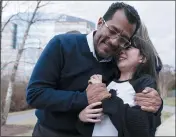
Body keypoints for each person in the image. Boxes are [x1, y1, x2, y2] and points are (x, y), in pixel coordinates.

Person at [26, 2, 162, 137]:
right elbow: (35, 94)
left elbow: (142, 77)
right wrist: (84, 98)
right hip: (50, 132)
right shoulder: (62, 44)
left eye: (123, 39)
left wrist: (157, 104)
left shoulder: (118, 62)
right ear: (100, 22)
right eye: (112, 31)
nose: (114, 41)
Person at [77, 22, 162, 137]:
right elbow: (92, 122)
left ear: (143, 57)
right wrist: (82, 118)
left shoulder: (144, 82)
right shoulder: (108, 81)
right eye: (120, 47)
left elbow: (141, 127)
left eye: (129, 47)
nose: (121, 51)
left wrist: (106, 98)